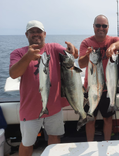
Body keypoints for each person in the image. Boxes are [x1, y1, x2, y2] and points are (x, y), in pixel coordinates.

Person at [9, 20, 78, 156]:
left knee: (54, 137)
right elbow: (13, 74)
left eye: (39, 31)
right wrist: (27, 57)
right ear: (26, 34)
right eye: (32, 32)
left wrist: (73, 51)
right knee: (27, 143)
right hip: (30, 108)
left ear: (44, 34)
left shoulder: (53, 47)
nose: (36, 34)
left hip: (53, 106)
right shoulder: (18, 53)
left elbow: (70, 56)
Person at [78, 14, 119, 141]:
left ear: (108, 27)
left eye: (104, 26)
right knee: (91, 120)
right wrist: (88, 55)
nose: (101, 28)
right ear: (93, 27)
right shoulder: (86, 42)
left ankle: (107, 145)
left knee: (108, 119)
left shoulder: (112, 40)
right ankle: (89, 144)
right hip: (91, 89)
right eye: (98, 25)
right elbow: (81, 64)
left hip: (108, 89)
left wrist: (113, 46)